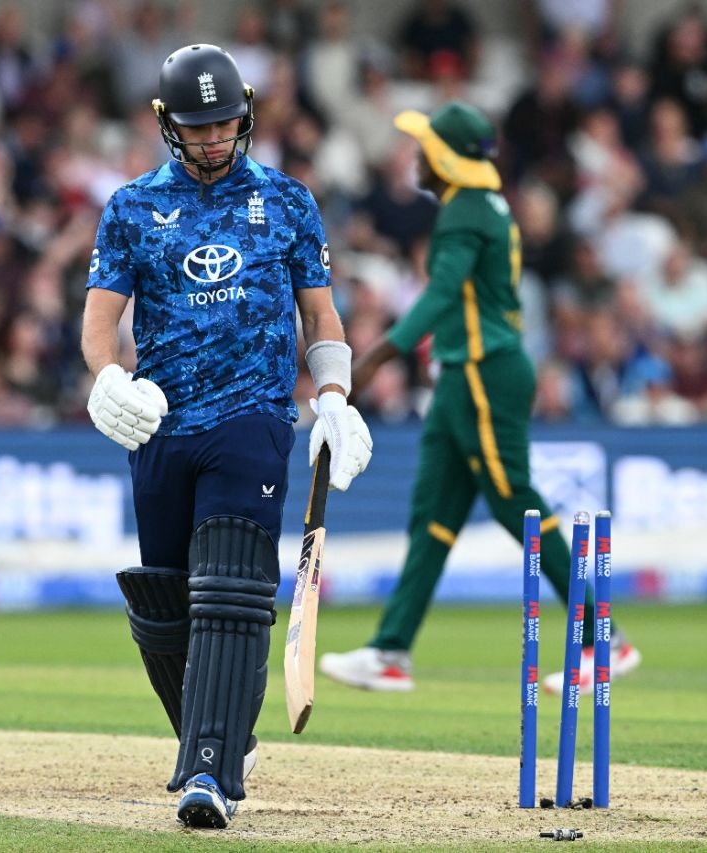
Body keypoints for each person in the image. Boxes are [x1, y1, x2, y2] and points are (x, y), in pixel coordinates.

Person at [81, 44, 372, 830]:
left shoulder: (285, 200)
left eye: (224, 124)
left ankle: (206, 773)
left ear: (245, 114)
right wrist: (106, 379)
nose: (212, 139)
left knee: (232, 588)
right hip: (162, 422)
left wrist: (336, 398)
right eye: (196, 127)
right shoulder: (133, 207)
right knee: (166, 598)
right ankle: (221, 737)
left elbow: (320, 316)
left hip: (252, 417)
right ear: (165, 124)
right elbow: (101, 320)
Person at [318, 101, 641, 696]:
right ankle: (391, 650)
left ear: (446, 159)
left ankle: (607, 639)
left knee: (513, 499)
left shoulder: (465, 211)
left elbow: (442, 294)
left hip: (485, 371)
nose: (416, 157)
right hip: (461, 372)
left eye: (426, 148)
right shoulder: (477, 204)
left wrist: (374, 359)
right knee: (434, 517)